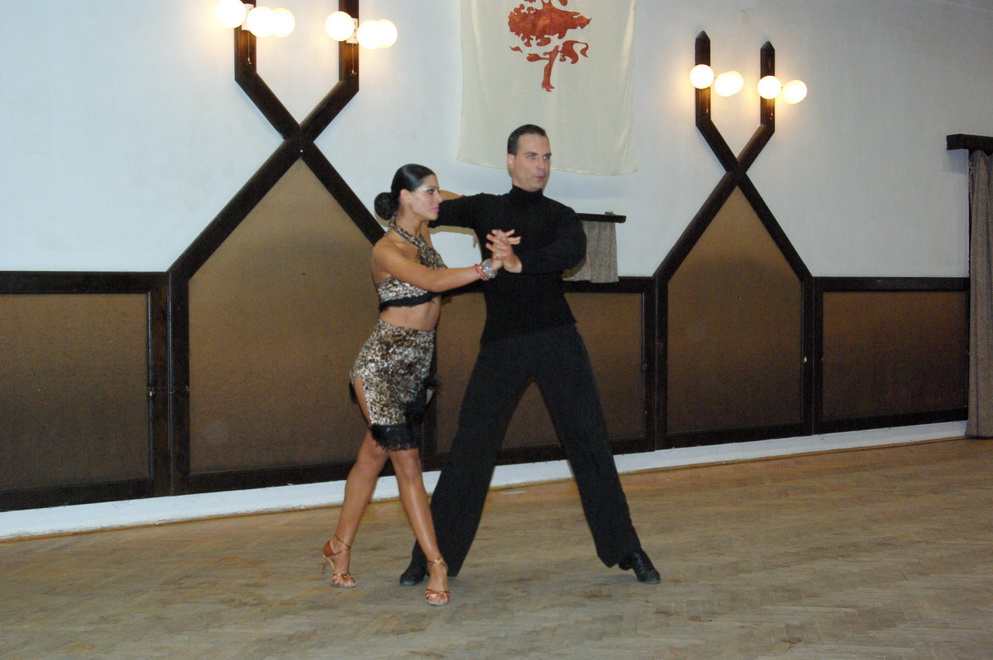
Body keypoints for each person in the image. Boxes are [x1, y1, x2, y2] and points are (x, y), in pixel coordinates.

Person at [399, 125, 661, 587]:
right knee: (471, 448)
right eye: (532, 156)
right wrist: (403, 203)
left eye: (546, 157)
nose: (541, 165)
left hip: (558, 339)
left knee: (590, 441)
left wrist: (521, 263)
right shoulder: (486, 207)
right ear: (511, 160)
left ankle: (627, 549)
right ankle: (430, 557)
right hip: (503, 343)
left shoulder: (561, 215)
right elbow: (433, 207)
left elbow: (571, 252)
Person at [322, 163, 518, 606]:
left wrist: (481, 222)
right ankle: (437, 563)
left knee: (371, 458)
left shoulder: (423, 230)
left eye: (435, 192)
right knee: (408, 463)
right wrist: (488, 267)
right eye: (427, 192)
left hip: (416, 370)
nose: (436, 199)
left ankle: (338, 546)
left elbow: (459, 202)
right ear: (405, 198)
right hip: (380, 367)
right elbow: (431, 281)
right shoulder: (386, 249)